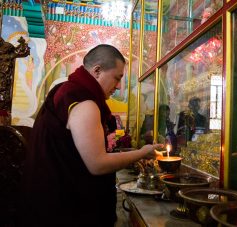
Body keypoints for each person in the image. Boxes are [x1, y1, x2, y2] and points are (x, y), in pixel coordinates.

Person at [19, 44, 162, 227]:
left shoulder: (67, 89)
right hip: (65, 208)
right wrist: (142, 153)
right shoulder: (83, 101)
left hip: (51, 197)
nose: (118, 87)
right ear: (97, 71)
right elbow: (97, 164)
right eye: (116, 78)